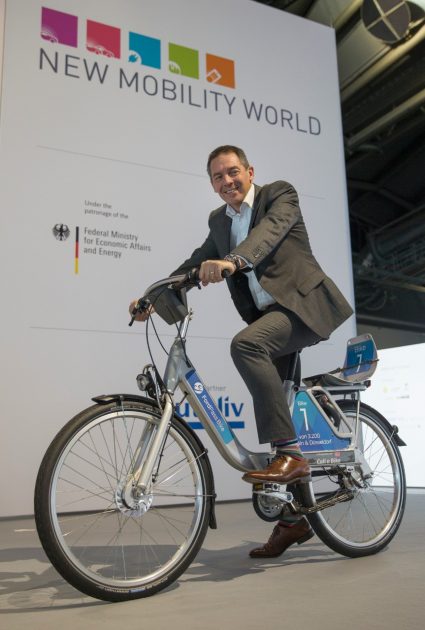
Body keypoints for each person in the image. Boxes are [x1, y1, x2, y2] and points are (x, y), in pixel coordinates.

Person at [130, 145, 353, 559]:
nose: (227, 181)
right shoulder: (219, 220)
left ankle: (290, 456)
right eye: (218, 177)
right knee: (275, 401)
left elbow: (266, 237)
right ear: (213, 186)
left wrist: (232, 261)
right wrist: (154, 293)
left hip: (303, 307)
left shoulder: (279, 195)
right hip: (269, 317)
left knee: (246, 345)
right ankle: (293, 522)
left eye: (233, 172)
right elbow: (196, 262)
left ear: (249, 171)